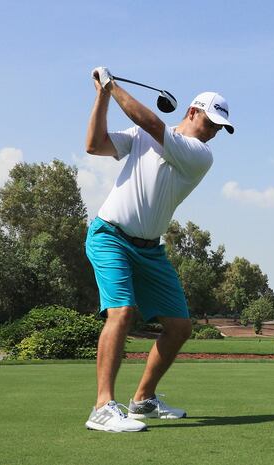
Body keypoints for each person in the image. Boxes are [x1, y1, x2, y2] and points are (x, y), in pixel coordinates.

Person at [83, 66, 234, 432]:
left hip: (150, 249)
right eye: (210, 122)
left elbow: (151, 123)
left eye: (219, 128)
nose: (213, 132)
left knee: (180, 327)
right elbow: (94, 144)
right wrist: (102, 96)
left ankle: (143, 399)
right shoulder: (141, 135)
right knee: (121, 312)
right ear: (192, 112)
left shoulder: (198, 154)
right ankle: (102, 407)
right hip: (110, 236)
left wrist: (112, 85)